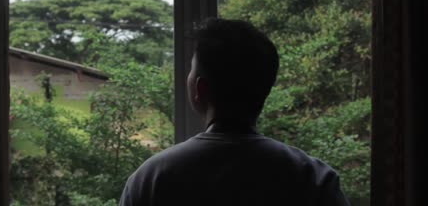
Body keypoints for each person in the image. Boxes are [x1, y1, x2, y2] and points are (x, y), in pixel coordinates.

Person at [119, 18, 350, 206]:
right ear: (266, 88)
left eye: (191, 70)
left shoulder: (151, 179)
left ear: (200, 89)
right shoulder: (314, 178)